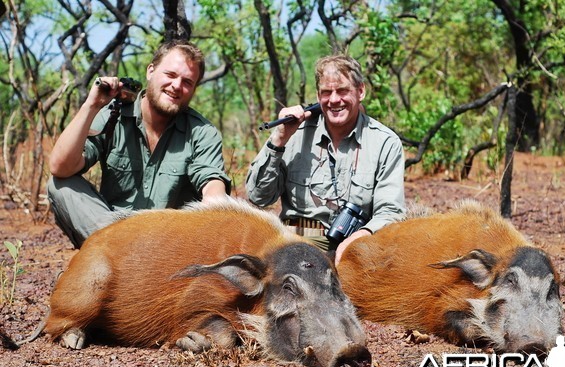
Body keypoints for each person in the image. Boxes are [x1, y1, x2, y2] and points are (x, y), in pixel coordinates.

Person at [47, 40, 231, 248]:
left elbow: (212, 181)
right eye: (170, 75)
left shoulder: (202, 132)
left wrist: (215, 204)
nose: (177, 86)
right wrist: (92, 105)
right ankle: (120, 255)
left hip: (166, 243)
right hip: (109, 228)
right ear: (151, 71)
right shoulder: (111, 116)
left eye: (187, 82)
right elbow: (60, 166)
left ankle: (116, 263)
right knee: (59, 184)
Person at [246, 54, 405, 264]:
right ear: (318, 96)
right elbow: (258, 197)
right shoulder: (293, 134)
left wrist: (360, 237)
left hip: (355, 249)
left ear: (361, 91)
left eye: (342, 91)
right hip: (295, 246)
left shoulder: (385, 142)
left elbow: (391, 212)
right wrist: (279, 139)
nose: (334, 100)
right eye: (326, 92)